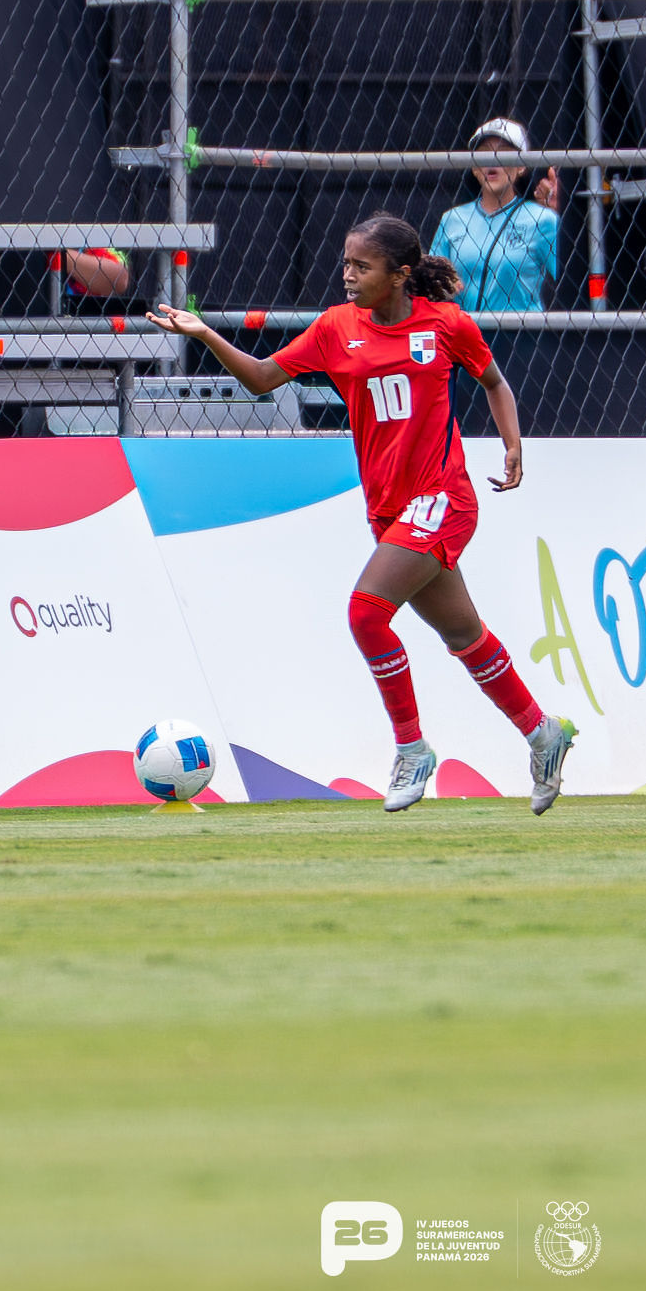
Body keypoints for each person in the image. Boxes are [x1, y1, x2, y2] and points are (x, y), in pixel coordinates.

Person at [147, 211, 576, 815]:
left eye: (361, 266)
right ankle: (542, 733)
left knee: (366, 613)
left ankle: (411, 748)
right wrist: (206, 334)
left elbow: (494, 382)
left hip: (443, 498)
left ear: (400, 276)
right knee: (463, 635)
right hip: (389, 510)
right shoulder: (334, 328)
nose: (347, 275)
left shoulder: (446, 324)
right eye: (345, 263)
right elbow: (263, 379)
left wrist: (512, 444)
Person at [429, 118, 559, 312]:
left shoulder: (542, 219)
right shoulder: (452, 219)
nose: (493, 160)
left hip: (521, 335)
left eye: (503, 153)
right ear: (474, 168)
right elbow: (431, 282)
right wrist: (441, 284)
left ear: (522, 166)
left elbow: (568, 278)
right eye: (484, 154)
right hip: (465, 335)